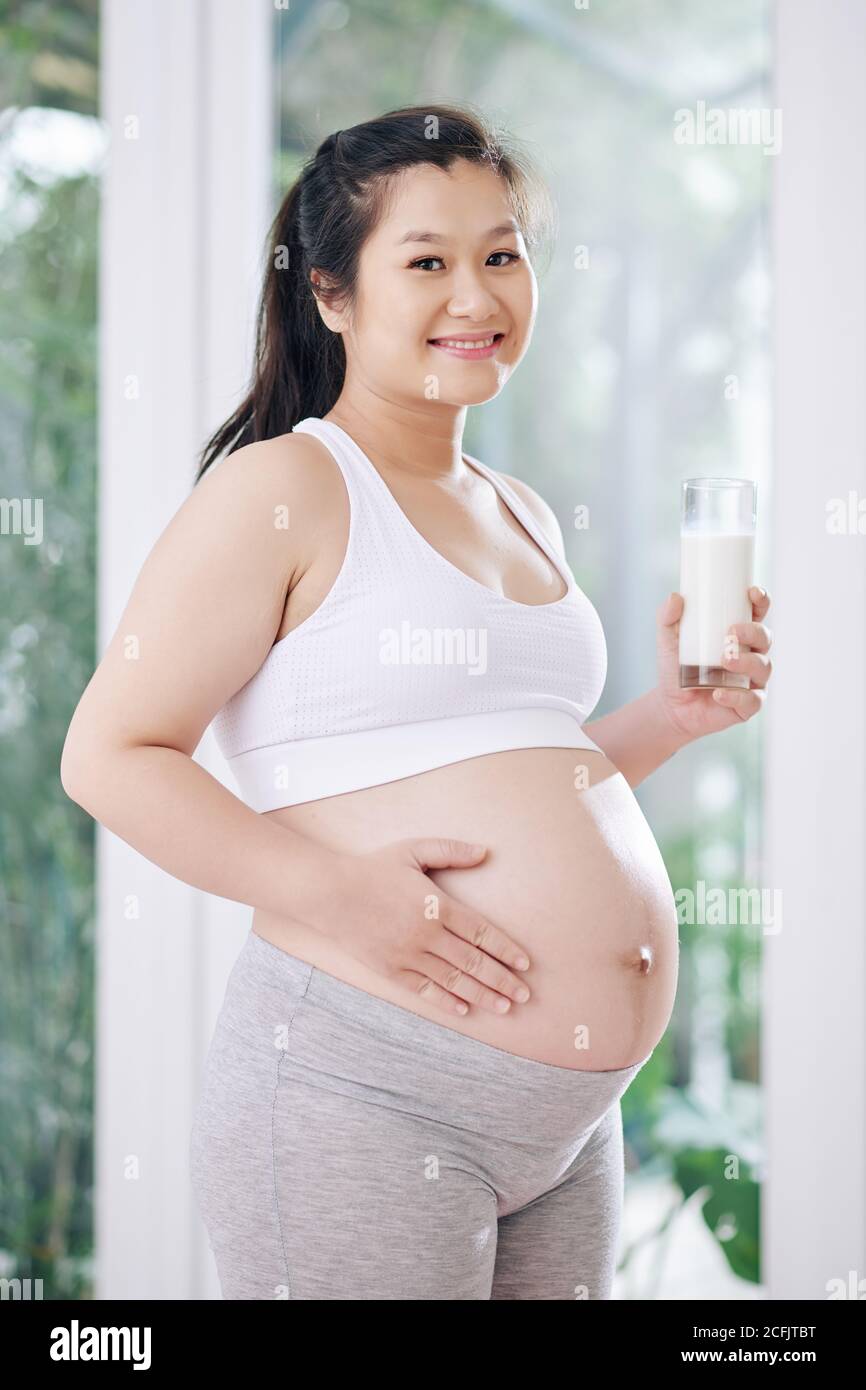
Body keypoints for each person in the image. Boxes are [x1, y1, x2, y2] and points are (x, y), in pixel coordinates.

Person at [61, 102, 773, 1300]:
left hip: (564, 1129)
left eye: (501, 254)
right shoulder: (284, 485)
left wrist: (666, 718)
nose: (476, 295)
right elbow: (110, 754)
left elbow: (519, 770)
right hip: (362, 1089)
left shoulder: (517, 507)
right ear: (330, 294)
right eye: (427, 262)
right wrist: (336, 893)